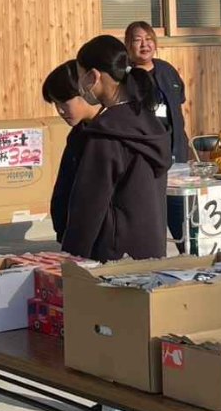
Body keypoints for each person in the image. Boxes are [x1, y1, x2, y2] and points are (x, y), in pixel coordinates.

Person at [62, 35, 171, 262]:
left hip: (112, 257)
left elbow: (88, 207)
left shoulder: (106, 134)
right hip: (152, 250)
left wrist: (70, 259)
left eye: (81, 76)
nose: (80, 85)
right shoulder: (149, 123)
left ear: (94, 76)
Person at [124, 22, 191, 253]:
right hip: (146, 158)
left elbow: (179, 103)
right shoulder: (125, 77)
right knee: (151, 216)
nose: (144, 44)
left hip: (176, 154)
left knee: (180, 213)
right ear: (128, 45)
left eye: (149, 39)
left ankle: (188, 255)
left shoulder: (166, 70)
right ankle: (153, 257)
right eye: (137, 40)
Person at [42, 60, 102, 243]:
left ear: (85, 91)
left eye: (64, 102)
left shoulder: (113, 133)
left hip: (104, 238)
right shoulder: (77, 134)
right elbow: (65, 185)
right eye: (55, 104)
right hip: (74, 234)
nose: (60, 110)